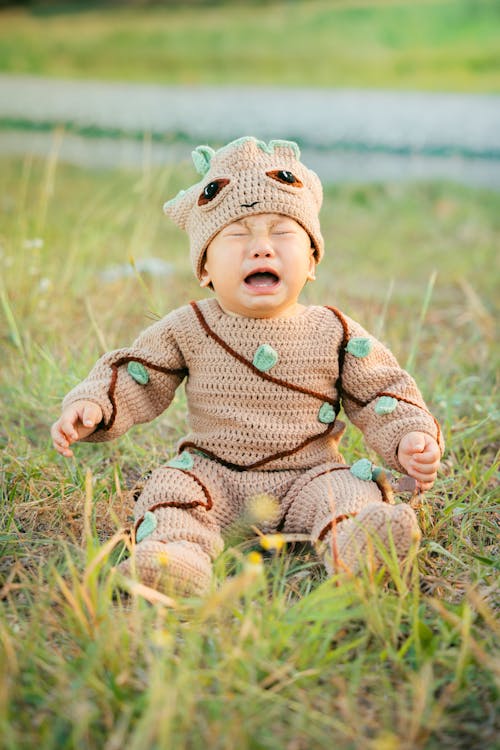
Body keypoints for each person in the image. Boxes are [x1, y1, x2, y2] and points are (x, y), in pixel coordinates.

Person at [51, 137, 443, 596]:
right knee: (172, 490)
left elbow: (381, 390)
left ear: (312, 260)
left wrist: (409, 435)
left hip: (312, 473)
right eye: (237, 236)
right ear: (205, 269)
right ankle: (176, 556)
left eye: (282, 233)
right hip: (214, 471)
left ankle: (358, 542)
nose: (261, 248)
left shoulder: (333, 330)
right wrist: (96, 401)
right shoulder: (189, 325)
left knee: (352, 494)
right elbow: (141, 370)